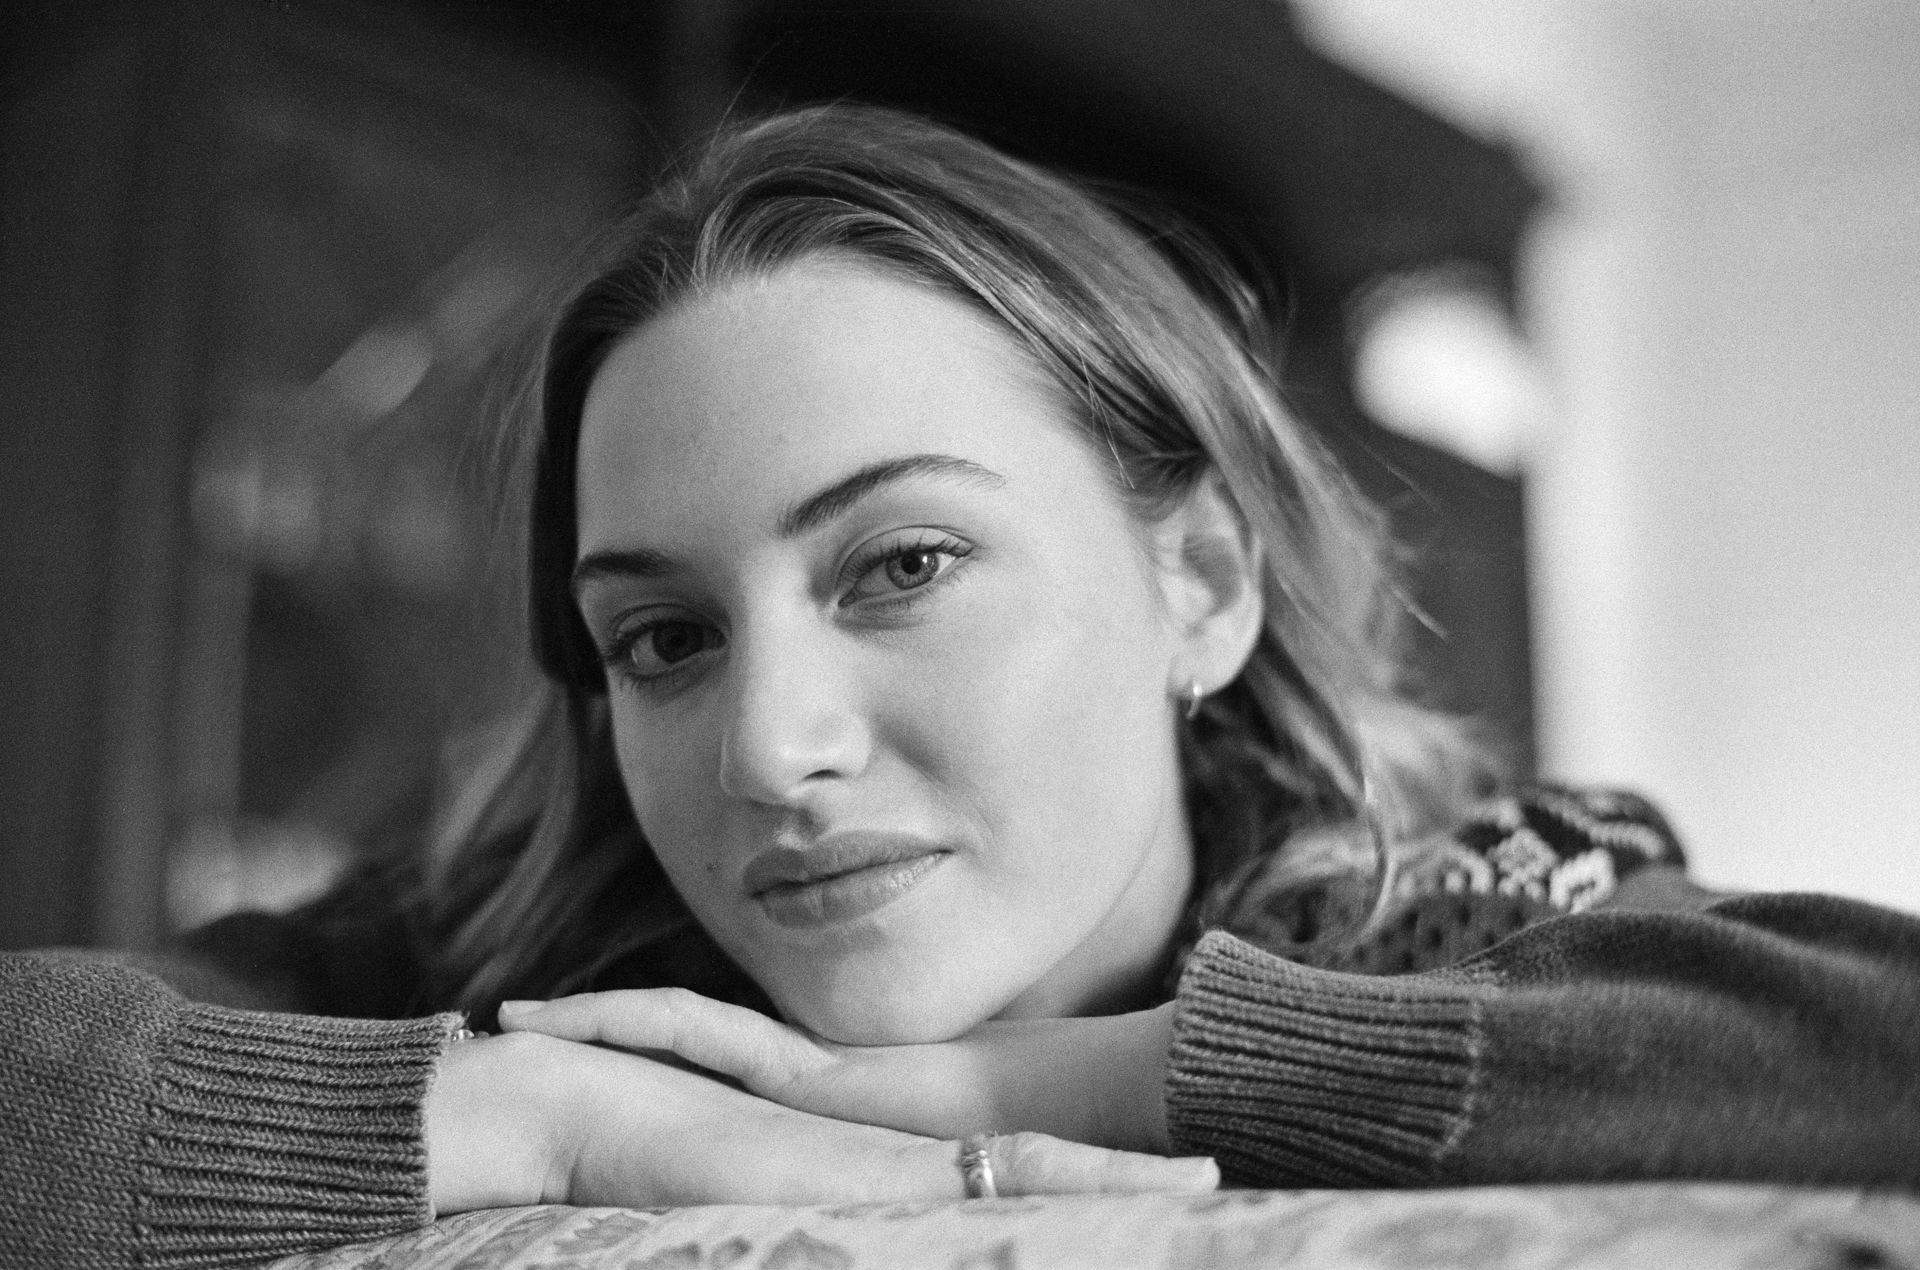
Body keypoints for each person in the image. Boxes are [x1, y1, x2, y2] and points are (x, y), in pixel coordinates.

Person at [3, 103, 1916, 1269]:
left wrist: (1014, 1088)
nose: (769, 747)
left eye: (901, 565)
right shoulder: (543, 970)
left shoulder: (1478, 908)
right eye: (663, 636)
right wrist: (552, 1125)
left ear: (1203, 581)